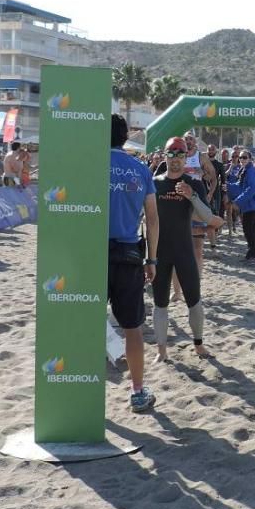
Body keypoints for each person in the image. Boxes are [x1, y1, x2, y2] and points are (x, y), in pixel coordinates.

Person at [151, 137, 225, 363]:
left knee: (194, 300)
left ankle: (199, 345)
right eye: (171, 155)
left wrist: (191, 196)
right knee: (160, 303)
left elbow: (205, 217)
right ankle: (161, 351)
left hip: (184, 250)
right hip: (160, 252)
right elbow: (146, 220)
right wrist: (148, 257)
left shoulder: (194, 184)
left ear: (186, 157)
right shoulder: (154, 183)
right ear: (165, 156)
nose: (175, 160)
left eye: (180, 155)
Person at [108, 114, 159, 412]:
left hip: (91, 255)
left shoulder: (88, 167)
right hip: (129, 255)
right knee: (133, 328)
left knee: (86, 324)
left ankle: (81, 384)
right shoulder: (140, 169)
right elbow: (152, 220)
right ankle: (138, 391)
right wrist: (152, 258)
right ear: (126, 137)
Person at [180, 131, 218, 272]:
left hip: (197, 198)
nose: (188, 141)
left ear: (195, 142)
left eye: (190, 139)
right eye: (186, 139)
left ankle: (213, 248)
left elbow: (213, 177)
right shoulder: (178, 156)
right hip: (180, 199)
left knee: (200, 237)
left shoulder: (201, 157)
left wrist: (209, 193)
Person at [233, 151, 255, 263]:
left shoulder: (250, 171)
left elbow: (251, 189)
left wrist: (238, 201)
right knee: (249, 231)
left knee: (249, 231)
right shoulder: (245, 170)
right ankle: (251, 254)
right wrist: (227, 186)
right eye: (240, 157)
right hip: (249, 205)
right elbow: (240, 186)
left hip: (251, 205)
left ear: (250, 159)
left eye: (244, 157)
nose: (242, 159)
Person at [206, 144, 225, 249]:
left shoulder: (219, 165)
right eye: (209, 149)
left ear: (216, 151)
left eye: (212, 149)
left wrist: (225, 194)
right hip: (203, 190)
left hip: (216, 192)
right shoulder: (202, 163)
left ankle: (214, 237)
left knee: (215, 213)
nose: (211, 151)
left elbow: (223, 181)